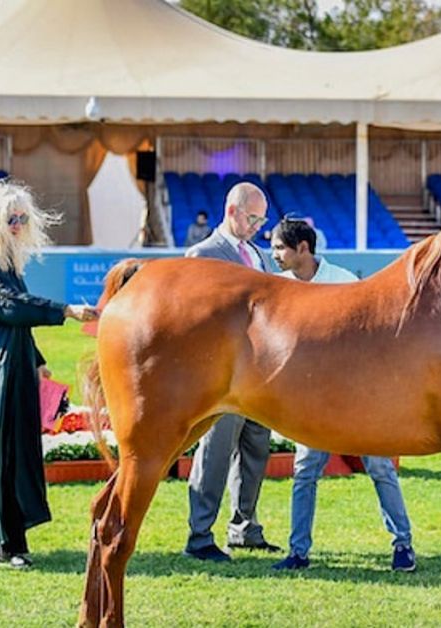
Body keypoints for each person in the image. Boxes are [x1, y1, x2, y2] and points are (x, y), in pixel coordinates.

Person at [268, 217, 416, 572]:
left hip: (356, 399)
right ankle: (298, 552)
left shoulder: (345, 283)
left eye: (278, 247)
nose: (273, 254)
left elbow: (371, 341)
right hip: (311, 401)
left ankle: (404, 545)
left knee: (380, 467)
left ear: (302, 248)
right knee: (304, 472)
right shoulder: (276, 288)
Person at [0, 180, 98, 568]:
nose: (17, 224)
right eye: (11, 217)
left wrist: (37, 357)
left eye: (23, 218)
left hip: (13, 366)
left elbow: (15, 316)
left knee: (11, 454)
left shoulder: (6, 260)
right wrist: (64, 310)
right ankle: (9, 543)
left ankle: (11, 539)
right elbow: (4, 306)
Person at [183, 182, 280, 562]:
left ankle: (244, 528)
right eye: (253, 217)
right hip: (220, 379)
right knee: (215, 454)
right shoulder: (202, 254)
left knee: (256, 450)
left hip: (259, 378)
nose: (258, 225)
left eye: (262, 218)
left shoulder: (259, 255)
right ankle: (199, 535)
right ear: (232, 211)